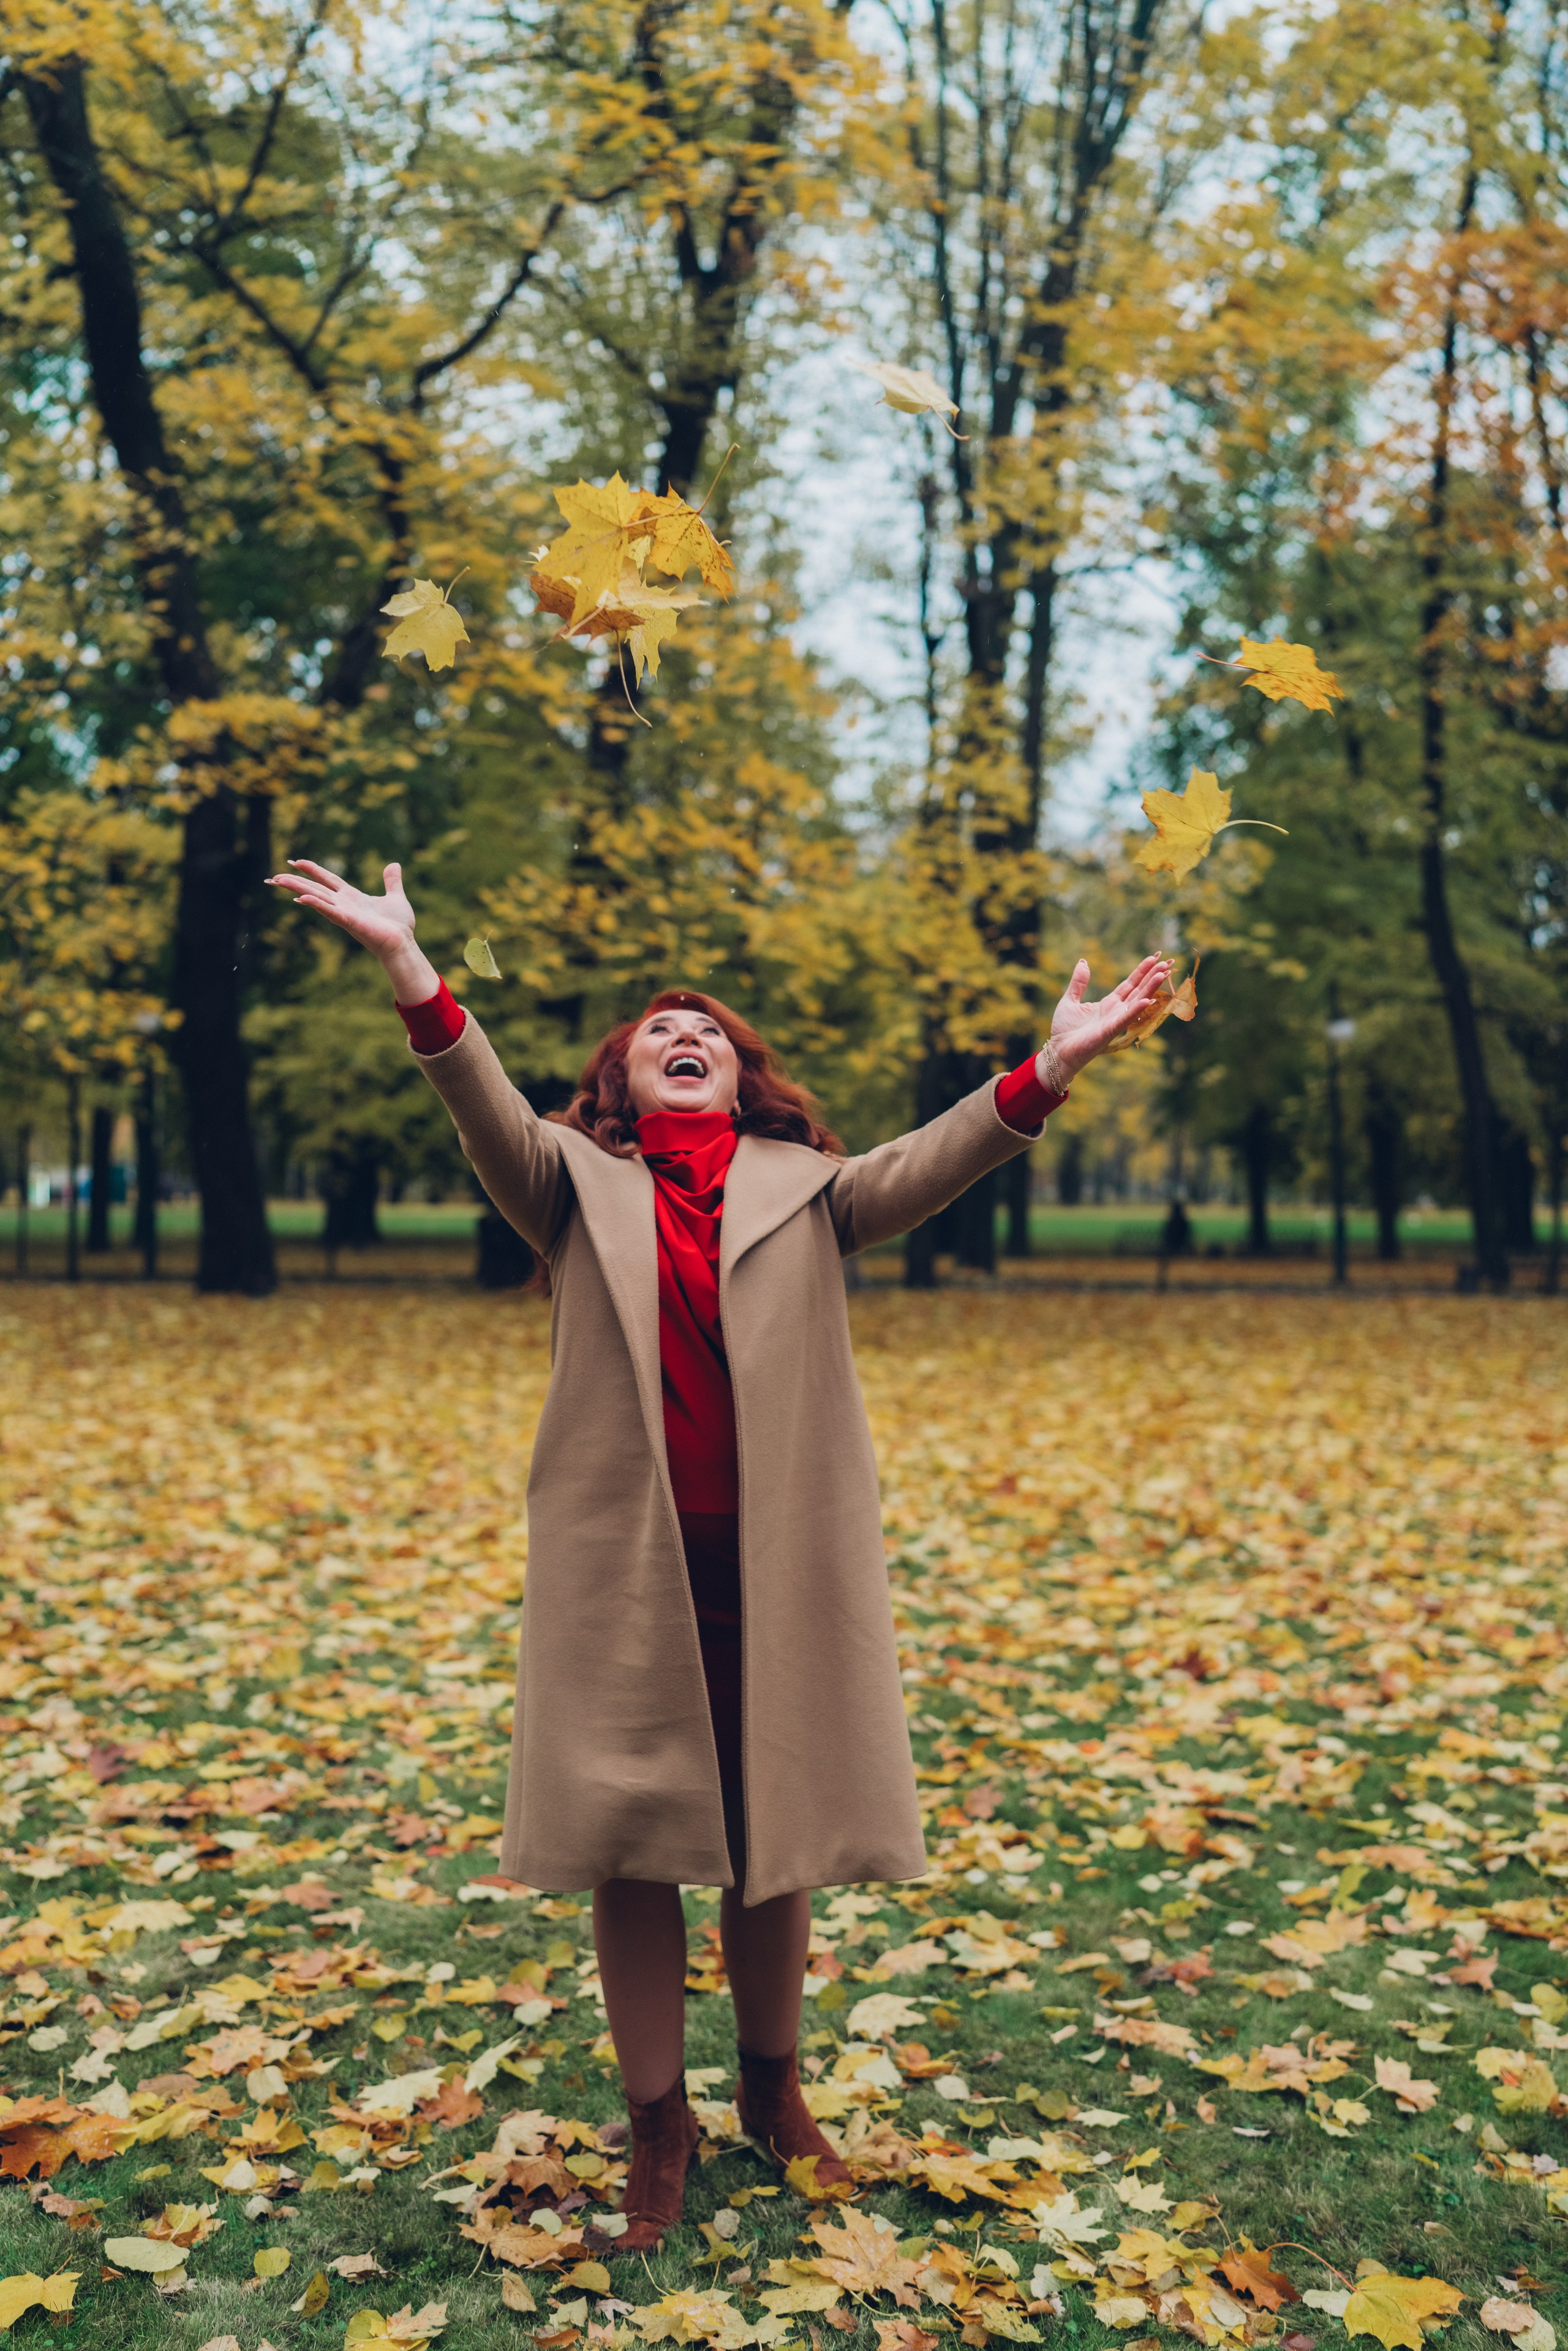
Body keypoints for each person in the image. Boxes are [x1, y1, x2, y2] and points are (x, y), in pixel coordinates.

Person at [268, 855, 1174, 2251]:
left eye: (708, 1035)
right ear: (617, 1084)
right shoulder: (565, 1179)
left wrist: (1045, 1068)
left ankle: (769, 2092)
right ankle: (656, 2124)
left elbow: (932, 1162)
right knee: (631, 1840)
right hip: (621, 1566)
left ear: (741, 1080)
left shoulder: (810, 1185)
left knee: (778, 1832)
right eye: (652, 1034)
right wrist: (408, 965)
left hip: (778, 1558)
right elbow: (476, 1102)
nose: (681, 1037)